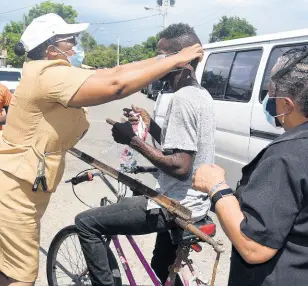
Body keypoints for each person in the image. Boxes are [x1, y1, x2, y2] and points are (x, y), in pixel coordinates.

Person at [0, 14, 203, 286]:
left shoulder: (59, 72)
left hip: (25, 186)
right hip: (13, 190)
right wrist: (174, 60)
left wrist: (164, 59)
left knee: (8, 264)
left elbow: (114, 73)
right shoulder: (48, 75)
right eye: (69, 41)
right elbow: (115, 86)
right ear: (50, 49)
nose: (75, 46)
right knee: (21, 276)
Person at [192, 41, 308, 286]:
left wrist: (218, 189)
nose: (269, 99)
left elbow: (254, 247)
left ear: (287, 105)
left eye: (272, 93)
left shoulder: (286, 157)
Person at [75, 23, 216, 286]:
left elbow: (180, 166)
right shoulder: (201, 95)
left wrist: (132, 141)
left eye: (162, 56)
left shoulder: (182, 99)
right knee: (160, 272)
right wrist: (149, 123)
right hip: (196, 203)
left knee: (86, 223)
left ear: (178, 59)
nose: (156, 62)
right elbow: (180, 147)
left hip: (174, 205)